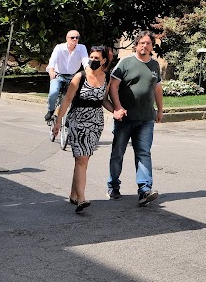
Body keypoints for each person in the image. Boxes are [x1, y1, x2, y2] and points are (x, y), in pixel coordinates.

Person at [52, 46, 114, 213]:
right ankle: (81, 199)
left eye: (96, 58)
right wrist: (58, 122)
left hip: (96, 122)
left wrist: (115, 111)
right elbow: (66, 101)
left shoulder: (107, 78)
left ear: (103, 61)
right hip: (77, 120)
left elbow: (104, 100)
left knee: (83, 160)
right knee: (82, 159)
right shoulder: (80, 77)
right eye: (91, 57)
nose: (92, 60)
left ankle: (73, 194)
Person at [107, 32, 164, 206]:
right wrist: (117, 107)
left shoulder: (155, 65)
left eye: (148, 43)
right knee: (118, 153)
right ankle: (113, 185)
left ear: (152, 46)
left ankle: (144, 189)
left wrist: (160, 110)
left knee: (144, 153)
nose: (144, 46)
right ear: (136, 44)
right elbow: (113, 86)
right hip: (125, 118)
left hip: (146, 118)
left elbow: (157, 90)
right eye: (141, 43)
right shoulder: (126, 62)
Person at [45, 30, 89, 122]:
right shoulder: (59, 48)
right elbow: (53, 60)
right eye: (72, 37)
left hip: (73, 76)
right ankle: (51, 110)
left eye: (77, 38)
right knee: (53, 93)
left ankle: (71, 116)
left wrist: (89, 72)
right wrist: (51, 71)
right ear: (67, 39)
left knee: (77, 96)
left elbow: (85, 61)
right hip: (58, 74)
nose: (75, 39)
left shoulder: (81, 48)